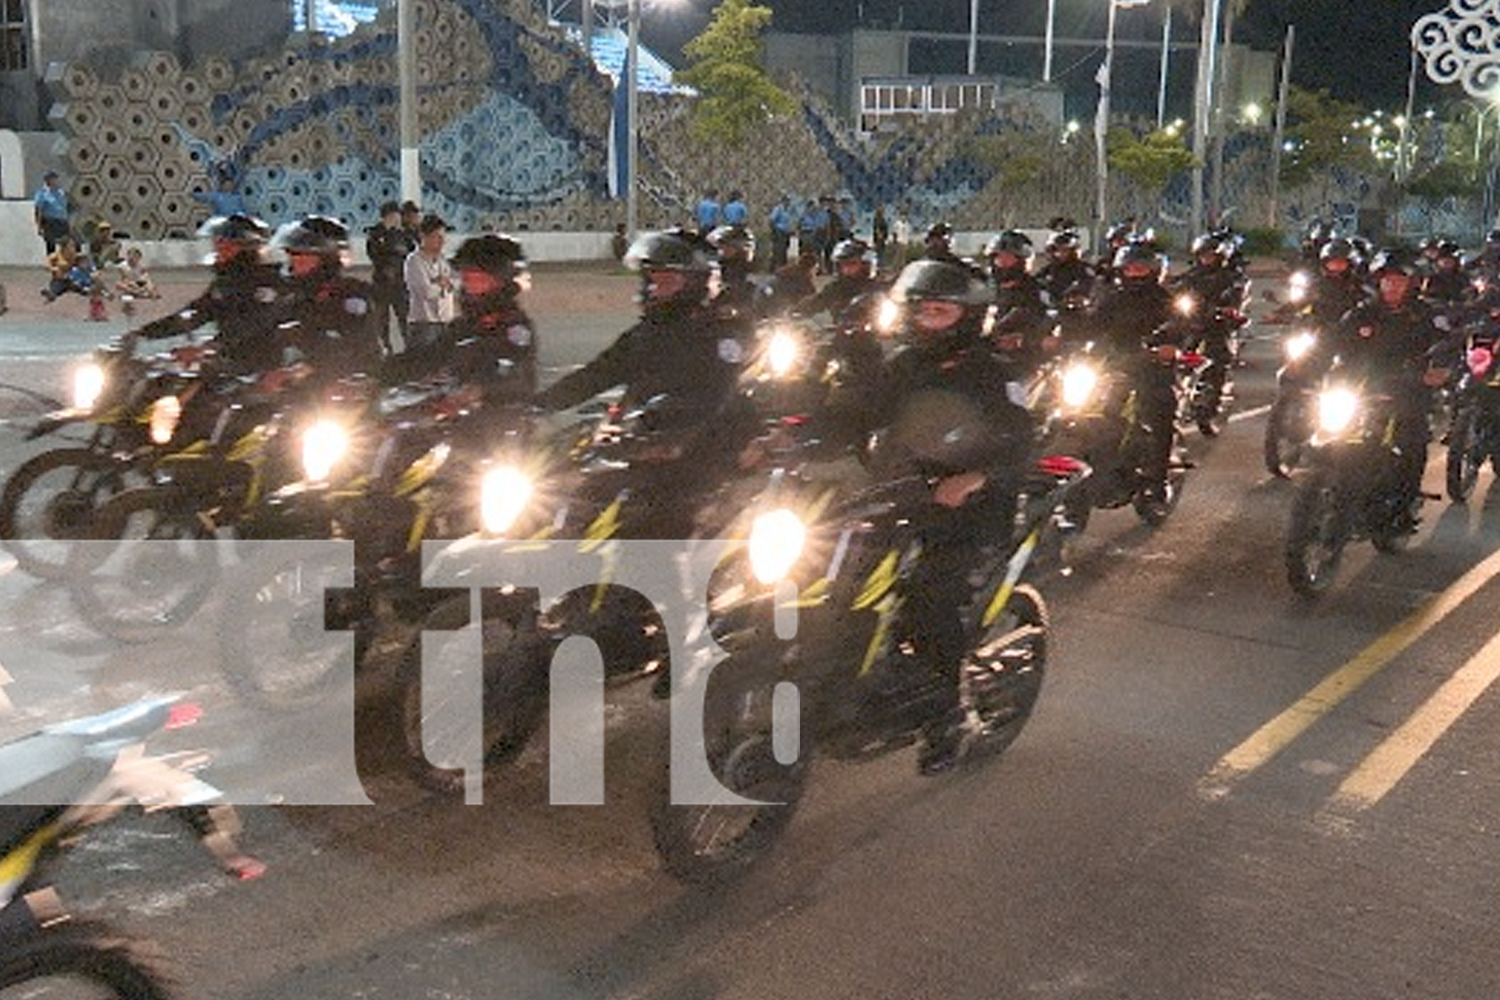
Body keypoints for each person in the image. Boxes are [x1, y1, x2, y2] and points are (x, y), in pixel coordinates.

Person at [805, 258, 1035, 775]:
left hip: (971, 514)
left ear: (968, 316)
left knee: (929, 602)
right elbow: (855, 412)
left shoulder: (994, 374)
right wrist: (790, 437)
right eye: (921, 311)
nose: (926, 321)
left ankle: (950, 713)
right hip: (899, 498)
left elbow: (1021, 442)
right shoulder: (903, 365)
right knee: (828, 582)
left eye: (940, 312)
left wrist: (974, 477)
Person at [535, 228, 755, 537]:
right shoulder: (645, 334)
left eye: (665, 281)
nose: (654, 288)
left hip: (697, 463)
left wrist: (673, 440)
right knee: (566, 505)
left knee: (662, 530)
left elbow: (716, 397)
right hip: (639, 451)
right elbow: (596, 374)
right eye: (652, 279)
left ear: (696, 282)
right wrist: (537, 406)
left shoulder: (720, 338)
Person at [1314, 248, 1446, 528]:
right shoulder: (1363, 313)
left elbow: (1446, 345)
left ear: (1413, 284)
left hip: (1407, 391)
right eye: (1386, 280)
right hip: (1362, 390)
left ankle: (1403, 507)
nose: (1391, 286)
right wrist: (1309, 364)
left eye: (1399, 281)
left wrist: (1438, 370)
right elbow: (1332, 341)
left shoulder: (1426, 316)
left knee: (1412, 443)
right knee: (1331, 435)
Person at [135, 213, 287, 374]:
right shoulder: (226, 283)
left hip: (261, 369)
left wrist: (205, 348)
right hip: (225, 362)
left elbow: (249, 325)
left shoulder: (267, 283)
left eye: (227, 245)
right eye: (218, 243)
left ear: (247, 249)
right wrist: (143, 333)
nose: (219, 249)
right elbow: (198, 312)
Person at [1088, 240, 1180, 502]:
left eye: (1141, 269)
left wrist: (1168, 346)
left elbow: (1181, 324)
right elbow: (1092, 324)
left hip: (1152, 366)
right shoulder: (1113, 299)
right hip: (1116, 365)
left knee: (1159, 410)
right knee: (1087, 408)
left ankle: (1158, 479)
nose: (1134, 274)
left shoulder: (1165, 299)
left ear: (1154, 271)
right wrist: (1062, 336)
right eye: (1129, 269)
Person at [271, 214, 383, 379]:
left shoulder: (351, 296)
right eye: (291, 258)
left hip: (348, 385)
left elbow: (357, 349)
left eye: (302, 260)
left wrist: (305, 343)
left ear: (327, 260)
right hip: (299, 388)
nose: (293, 266)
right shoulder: (292, 300)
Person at [1168, 233, 1248, 435]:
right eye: (1203, 255)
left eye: (1211, 255)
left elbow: (1236, 296)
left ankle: (1210, 404)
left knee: (1218, 360)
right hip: (1191, 324)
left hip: (1216, 326)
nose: (1207, 259)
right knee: (1170, 354)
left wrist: (1227, 310)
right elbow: (1176, 289)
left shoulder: (1230, 278)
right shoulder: (1192, 275)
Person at [444, 232, 539, 399]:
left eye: (478, 280)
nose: (469, 287)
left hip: (502, 412)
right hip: (454, 409)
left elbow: (518, 376)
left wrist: (479, 391)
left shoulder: (515, 328)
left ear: (502, 283)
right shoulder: (461, 326)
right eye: (466, 279)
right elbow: (429, 356)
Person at [983, 230, 1054, 374]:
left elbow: (1050, 321)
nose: (1002, 263)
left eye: (1009, 258)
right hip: (985, 359)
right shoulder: (982, 290)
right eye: (998, 258)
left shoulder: (1037, 291)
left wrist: (1024, 339)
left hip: (1026, 361)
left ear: (1023, 261)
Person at [365, 201, 415, 356]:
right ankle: (386, 346)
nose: (398, 218)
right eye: (395, 215)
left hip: (400, 282)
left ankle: (410, 345)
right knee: (382, 318)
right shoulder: (376, 234)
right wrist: (387, 265)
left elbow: (411, 252)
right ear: (388, 216)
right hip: (383, 283)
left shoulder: (402, 234)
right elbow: (374, 254)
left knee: (404, 315)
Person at [403, 213, 457, 355]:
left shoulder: (442, 260)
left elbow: (454, 285)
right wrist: (442, 284)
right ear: (423, 236)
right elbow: (425, 291)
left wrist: (440, 283)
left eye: (443, 237)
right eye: (437, 237)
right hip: (424, 325)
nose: (442, 241)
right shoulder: (414, 261)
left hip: (445, 322)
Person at [114, 246, 161, 318]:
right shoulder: (122, 266)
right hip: (128, 285)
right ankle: (139, 294)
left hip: (138, 283)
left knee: (151, 285)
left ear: (139, 258)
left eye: (135, 257)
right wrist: (133, 285)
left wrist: (147, 286)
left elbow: (145, 279)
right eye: (130, 256)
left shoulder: (141, 267)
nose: (132, 259)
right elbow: (125, 279)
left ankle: (151, 297)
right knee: (118, 284)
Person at [33, 171, 70, 255]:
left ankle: (63, 260)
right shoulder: (42, 193)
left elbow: (65, 206)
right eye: (52, 179)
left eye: (55, 178)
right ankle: (51, 261)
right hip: (50, 222)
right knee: (51, 245)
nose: (54, 181)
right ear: (47, 180)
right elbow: (38, 210)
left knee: (65, 244)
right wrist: (39, 226)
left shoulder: (60, 192)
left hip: (62, 221)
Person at [768, 195, 795, 271]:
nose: (788, 202)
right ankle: (776, 267)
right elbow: (771, 220)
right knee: (778, 250)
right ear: (783, 201)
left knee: (784, 249)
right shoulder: (778, 209)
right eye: (787, 201)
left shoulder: (788, 211)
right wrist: (775, 230)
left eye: (789, 201)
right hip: (779, 231)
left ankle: (782, 267)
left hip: (786, 232)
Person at [871, 205, 891, 271]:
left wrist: (885, 237)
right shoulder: (877, 219)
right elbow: (877, 228)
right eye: (882, 210)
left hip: (882, 238)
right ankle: (879, 266)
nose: (883, 211)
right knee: (880, 253)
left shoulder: (882, 219)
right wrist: (880, 235)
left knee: (881, 252)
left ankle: (880, 266)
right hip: (879, 239)